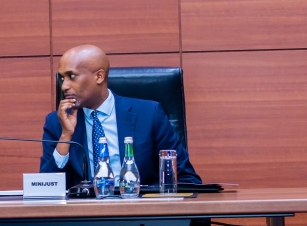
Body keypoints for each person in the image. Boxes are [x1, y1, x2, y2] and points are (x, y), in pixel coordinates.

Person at [41, 45, 202, 188]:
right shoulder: (56, 123)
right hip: (84, 217)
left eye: (72, 76)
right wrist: (65, 136)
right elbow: (45, 188)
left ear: (99, 77)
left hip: (140, 214)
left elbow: (186, 178)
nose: (64, 86)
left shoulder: (149, 114)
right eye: (62, 78)